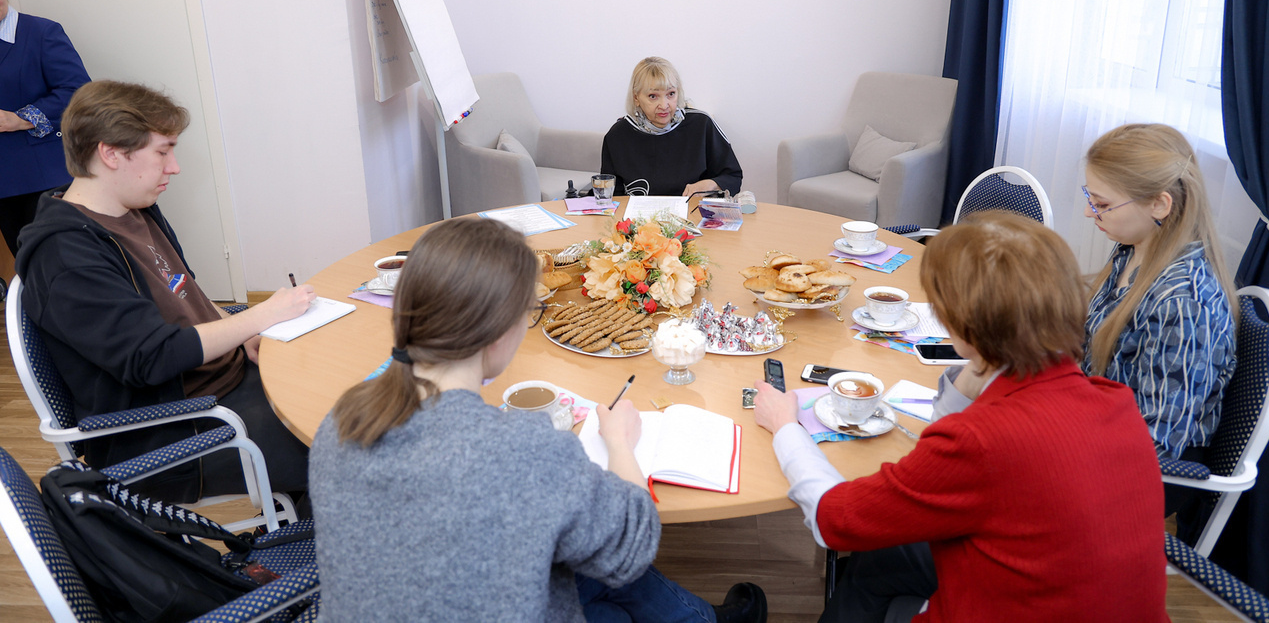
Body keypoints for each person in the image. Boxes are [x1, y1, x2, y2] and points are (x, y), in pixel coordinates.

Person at [309, 216, 766, 623]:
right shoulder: (523, 451)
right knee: (607, 582)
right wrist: (620, 444)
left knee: (597, 587)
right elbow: (632, 546)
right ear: (499, 330)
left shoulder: (343, 419)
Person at [751, 212, 1169, 622]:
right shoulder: (1115, 401)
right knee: (879, 559)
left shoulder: (980, 440)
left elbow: (834, 520)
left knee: (870, 548)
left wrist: (786, 426)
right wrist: (979, 364)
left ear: (958, 322)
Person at [16, 80, 315, 504]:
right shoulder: (65, 254)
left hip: (223, 387)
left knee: (344, 397)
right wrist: (262, 315)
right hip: (177, 431)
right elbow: (152, 356)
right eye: (162, 152)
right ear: (111, 154)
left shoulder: (135, 209)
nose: (173, 167)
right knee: (355, 441)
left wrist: (242, 330)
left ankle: (307, 519)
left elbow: (185, 291)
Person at [1081, 123, 1237, 467]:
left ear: (1159, 204)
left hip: (1137, 468)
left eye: (1102, 203)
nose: (1089, 212)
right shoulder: (1130, 251)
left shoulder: (1184, 303)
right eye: (1089, 198)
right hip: (1095, 425)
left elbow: (1157, 442)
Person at [0, 0, 91, 257]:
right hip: (4, 184)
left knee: (65, 261)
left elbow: (77, 90)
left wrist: (20, 119)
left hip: (42, 176)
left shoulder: (41, 32)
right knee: (29, 266)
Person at [601, 57, 743, 197]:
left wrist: (711, 184)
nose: (664, 105)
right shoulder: (618, 135)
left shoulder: (702, 125)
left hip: (694, 210)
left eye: (671, 94)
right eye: (653, 96)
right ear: (636, 98)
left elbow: (733, 176)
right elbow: (611, 196)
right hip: (637, 213)